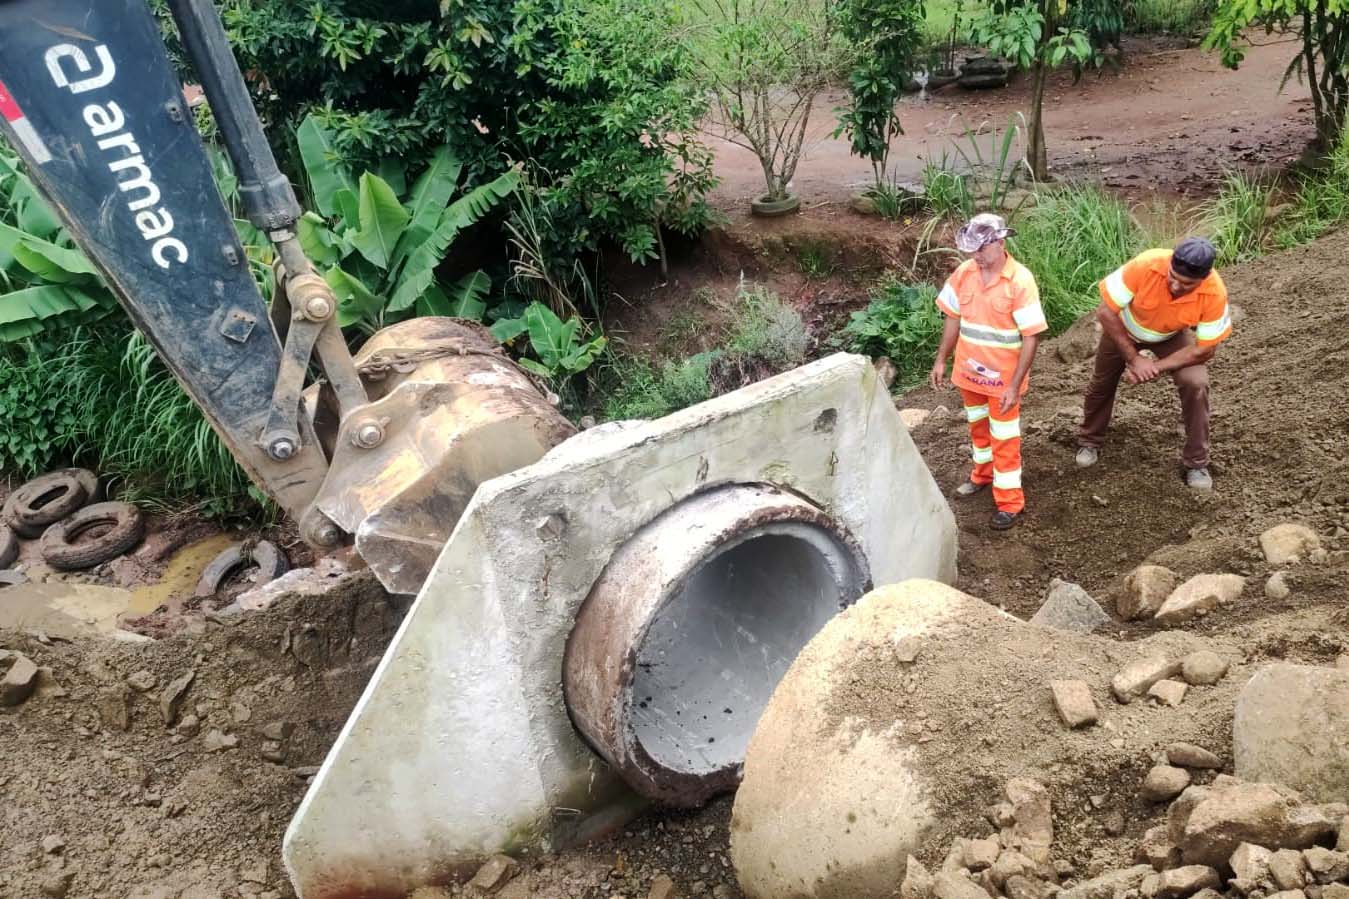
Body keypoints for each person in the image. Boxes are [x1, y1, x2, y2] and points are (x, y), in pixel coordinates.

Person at [1075, 237, 1232, 490]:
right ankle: (1089, 440)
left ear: (1203, 279)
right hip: (1123, 330)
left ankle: (1196, 463)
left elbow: (1205, 350)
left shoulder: (1214, 292)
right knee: (1102, 382)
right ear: (1170, 263)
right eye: (1173, 277)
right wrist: (1134, 359)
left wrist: (1154, 367)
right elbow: (1105, 312)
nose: (1176, 285)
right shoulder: (1146, 264)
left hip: (1170, 336)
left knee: (1196, 383)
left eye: (1187, 284)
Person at [929, 213, 1047, 530]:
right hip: (969, 373)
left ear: (999, 242)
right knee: (978, 429)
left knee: (1004, 438)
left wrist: (1014, 385)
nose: (975, 257)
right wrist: (942, 359)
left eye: (981, 250)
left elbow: (1031, 337)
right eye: (972, 250)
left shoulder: (1020, 281)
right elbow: (952, 318)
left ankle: (1010, 502)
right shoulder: (964, 274)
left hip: (1002, 381)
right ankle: (981, 475)